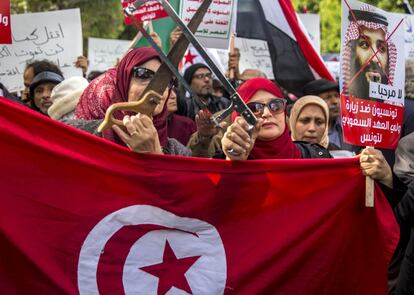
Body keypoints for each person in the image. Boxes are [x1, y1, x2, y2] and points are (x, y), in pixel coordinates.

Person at [75, 47, 191, 156]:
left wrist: (154, 153)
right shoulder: (77, 135)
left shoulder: (179, 153)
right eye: (144, 74)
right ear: (123, 82)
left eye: (166, 80)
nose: (157, 87)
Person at [221, 78, 331, 160]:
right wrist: (233, 163)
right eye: (254, 108)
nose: (266, 113)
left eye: (276, 105)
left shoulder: (315, 156)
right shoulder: (222, 159)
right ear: (238, 116)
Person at [342, 6, 396, 100]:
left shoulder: (396, 112)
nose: (375, 58)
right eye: (364, 44)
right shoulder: (338, 110)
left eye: (381, 48)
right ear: (351, 52)